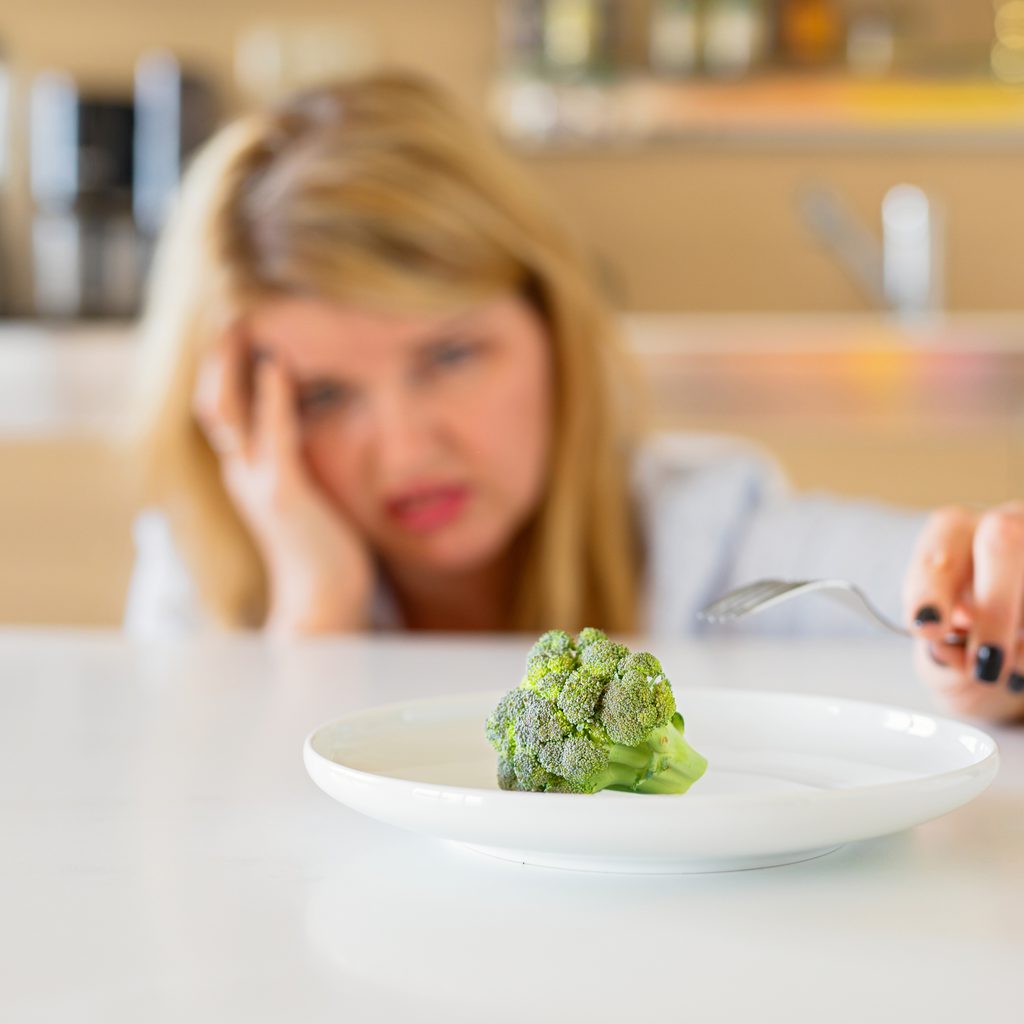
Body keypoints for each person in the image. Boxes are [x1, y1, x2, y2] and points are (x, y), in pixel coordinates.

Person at [128, 72, 1024, 725]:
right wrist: (316, 604)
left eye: (448, 355)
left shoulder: (706, 537)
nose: (403, 450)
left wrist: (988, 612)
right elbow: (224, 848)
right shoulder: (205, 576)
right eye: (324, 395)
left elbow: (927, 582)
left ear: (553, 328)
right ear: (238, 415)